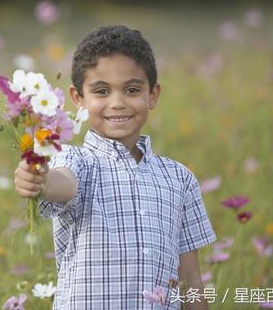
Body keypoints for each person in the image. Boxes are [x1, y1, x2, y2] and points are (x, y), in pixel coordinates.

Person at [14, 25, 216, 309]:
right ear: (79, 99)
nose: (118, 103)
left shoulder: (179, 179)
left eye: (132, 90)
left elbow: (190, 279)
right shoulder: (76, 161)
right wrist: (41, 180)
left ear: (153, 95)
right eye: (101, 91)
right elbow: (63, 184)